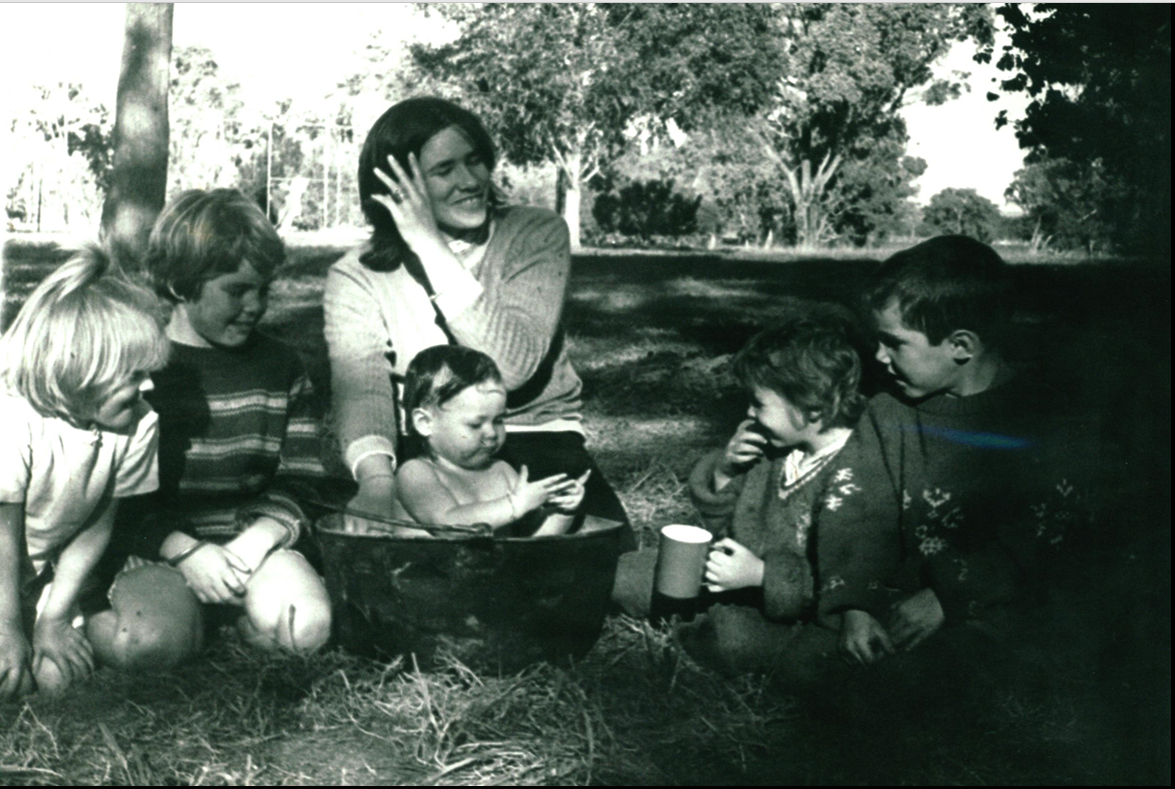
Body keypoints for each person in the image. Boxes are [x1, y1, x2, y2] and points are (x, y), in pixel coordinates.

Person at [323, 97, 632, 548]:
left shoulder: (535, 233)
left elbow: (512, 364)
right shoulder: (357, 274)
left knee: (598, 574)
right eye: (444, 170)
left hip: (534, 436)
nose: (470, 181)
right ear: (394, 187)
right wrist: (375, 483)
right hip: (432, 450)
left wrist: (430, 246)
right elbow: (361, 387)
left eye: (475, 161)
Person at [815, 235, 1092, 666]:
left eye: (894, 342)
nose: (879, 356)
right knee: (843, 657)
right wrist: (855, 604)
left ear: (961, 346)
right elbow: (856, 511)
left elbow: (1048, 538)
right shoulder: (887, 414)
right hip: (899, 605)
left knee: (966, 666)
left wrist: (953, 595)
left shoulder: (1043, 420)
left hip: (995, 606)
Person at [108, 189, 332, 666]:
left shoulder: (281, 365)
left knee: (305, 630)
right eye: (237, 290)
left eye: (263, 289)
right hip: (163, 548)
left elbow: (304, 480)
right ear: (182, 284)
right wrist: (185, 553)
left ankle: (235, 621)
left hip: (254, 546)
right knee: (152, 645)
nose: (255, 305)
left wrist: (256, 542)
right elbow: (114, 493)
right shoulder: (139, 369)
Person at [613, 314, 888, 676]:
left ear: (813, 408)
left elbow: (845, 581)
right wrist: (726, 471)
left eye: (759, 404)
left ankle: (699, 629)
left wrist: (762, 576)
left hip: (797, 608)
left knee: (734, 636)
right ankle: (695, 620)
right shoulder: (776, 451)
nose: (749, 413)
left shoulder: (857, 474)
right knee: (629, 571)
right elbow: (726, 529)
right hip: (736, 581)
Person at [0, 246, 168, 699]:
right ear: (81, 373)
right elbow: (3, 532)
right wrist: (7, 626)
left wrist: (53, 616)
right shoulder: (14, 418)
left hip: (35, 577)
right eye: (134, 376)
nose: (148, 387)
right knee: (8, 672)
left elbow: (97, 524)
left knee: (53, 682)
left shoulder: (139, 422)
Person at [394, 345, 589, 536]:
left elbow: (533, 541)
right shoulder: (416, 473)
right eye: (475, 425)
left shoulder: (502, 471)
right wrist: (515, 504)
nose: (491, 434)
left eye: (498, 420)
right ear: (425, 423)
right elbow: (448, 526)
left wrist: (563, 512)